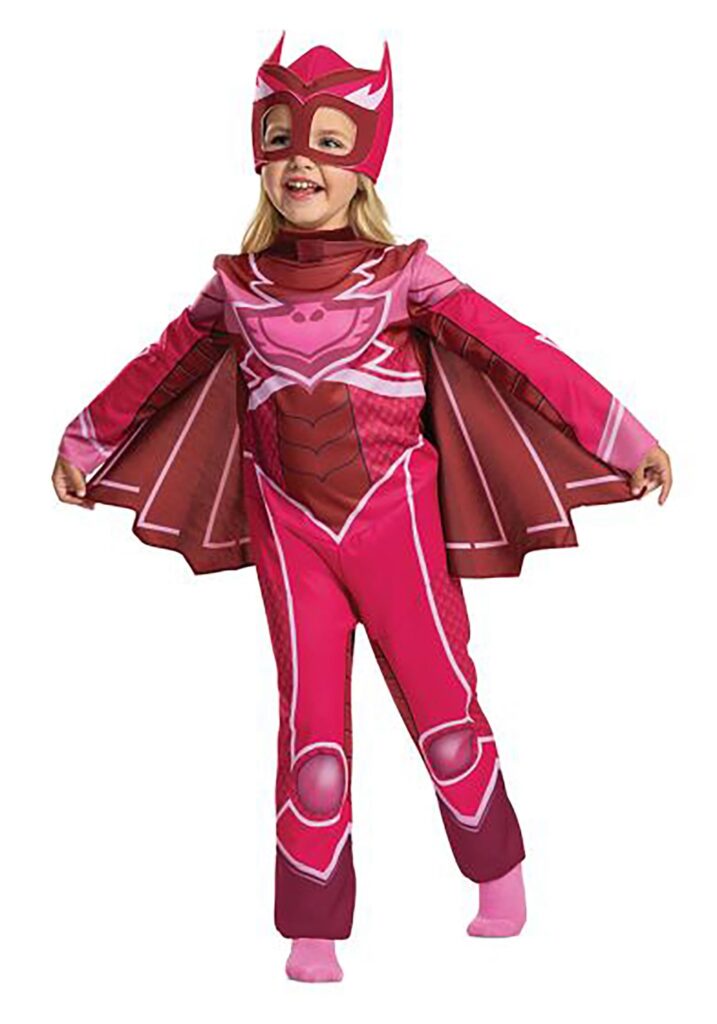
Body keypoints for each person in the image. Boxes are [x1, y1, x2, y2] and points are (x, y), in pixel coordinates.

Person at [52, 33, 672, 984]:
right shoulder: (236, 287)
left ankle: (496, 874)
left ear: (364, 165)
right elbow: (157, 367)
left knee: (442, 707)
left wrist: (624, 437)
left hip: (396, 525)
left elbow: (520, 352)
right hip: (287, 527)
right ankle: (312, 930)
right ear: (260, 158)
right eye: (282, 141)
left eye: (329, 142)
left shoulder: (405, 275)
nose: (302, 161)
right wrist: (84, 440)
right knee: (311, 737)